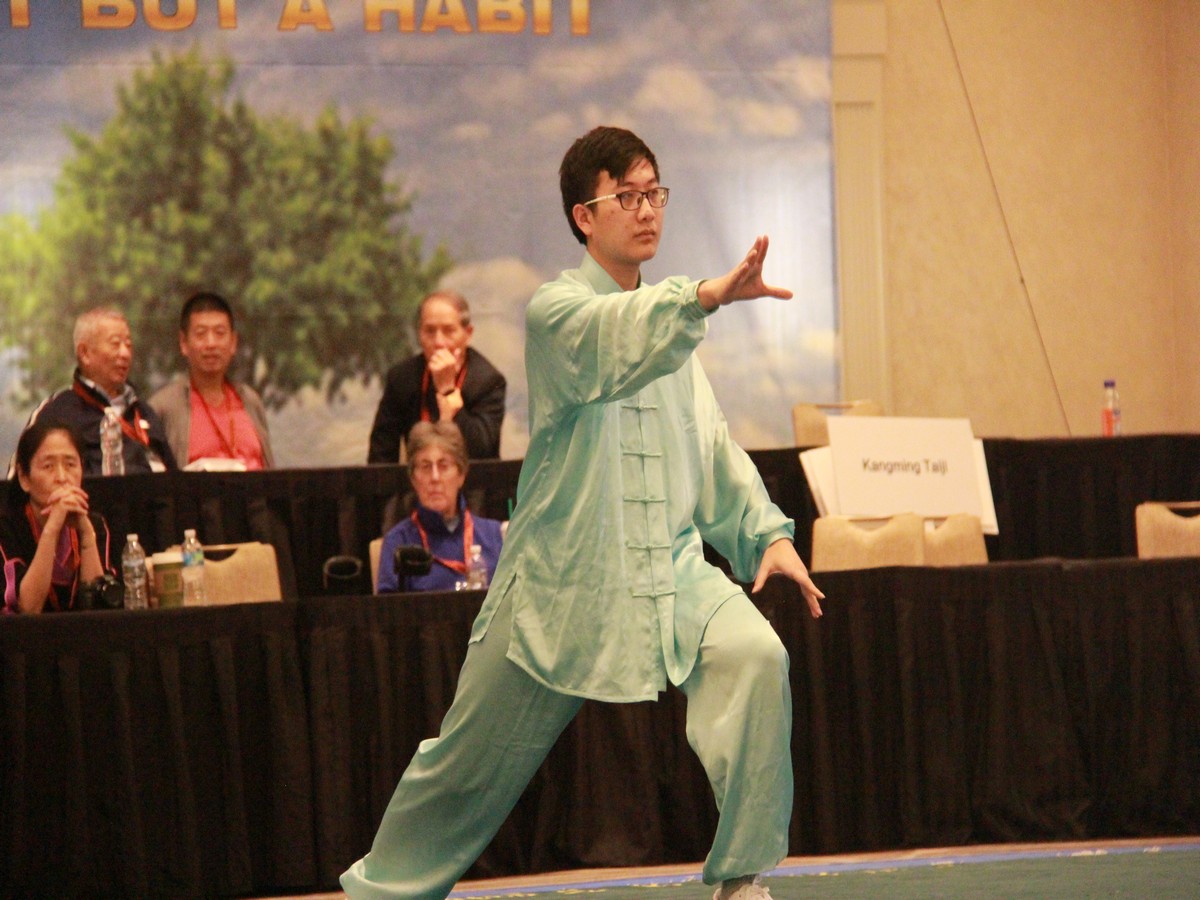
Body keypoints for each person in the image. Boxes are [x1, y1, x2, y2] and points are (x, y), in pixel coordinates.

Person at [341, 126, 825, 900]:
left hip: (668, 571)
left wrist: (766, 534)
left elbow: (710, 447)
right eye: (627, 196)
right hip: (561, 582)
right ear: (583, 216)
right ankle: (382, 892)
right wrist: (704, 295)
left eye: (654, 193)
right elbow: (618, 338)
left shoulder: (675, 338)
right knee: (466, 765)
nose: (647, 210)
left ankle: (741, 878)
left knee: (756, 658)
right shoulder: (558, 313)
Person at [12, 307, 175, 476]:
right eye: (115, 344)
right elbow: (20, 481)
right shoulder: (56, 413)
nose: (125, 353)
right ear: (85, 353)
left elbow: (175, 481)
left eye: (128, 345)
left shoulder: (144, 412)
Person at [367, 291, 506, 463]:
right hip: (418, 477)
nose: (439, 342)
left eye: (449, 331)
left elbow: (481, 451)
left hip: (471, 478)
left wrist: (447, 389)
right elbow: (380, 453)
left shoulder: (488, 381)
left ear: (468, 334)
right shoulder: (401, 378)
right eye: (430, 331)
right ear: (419, 334)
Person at [148, 291, 276, 470]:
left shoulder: (250, 400)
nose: (211, 343)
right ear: (184, 343)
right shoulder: (163, 407)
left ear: (233, 342)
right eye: (201, 334)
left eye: (219, 333)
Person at [376, 421, 503, 593]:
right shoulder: (398, 542)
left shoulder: (495, 536)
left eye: (444, 466)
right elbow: (387, 609)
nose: (435, 477)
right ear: (413, 479)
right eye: (425, 467)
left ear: (461, 475)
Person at [2, 421, 114, 614]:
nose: (62, 477)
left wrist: (87, 538)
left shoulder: (94, 525)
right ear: (24, 477)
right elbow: (28, 608)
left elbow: (100, 609)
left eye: (70, 465)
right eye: (48, 466)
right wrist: (52, 529)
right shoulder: (7, 528)